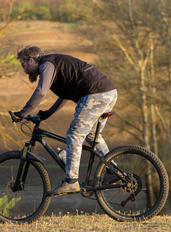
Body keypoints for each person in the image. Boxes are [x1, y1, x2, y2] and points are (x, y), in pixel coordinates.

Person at [13, 46, 118, 195]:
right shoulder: (54, 65)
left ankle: (71, 181)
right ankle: (112, 170)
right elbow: (65, 96)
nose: (23, 69)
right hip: (108, 92)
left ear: (31, 60)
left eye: (23, 64)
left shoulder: (46, 64)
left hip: (96, 93)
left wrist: (22, 113)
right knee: (90, 134)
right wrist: (47, 113)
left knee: (75, 133)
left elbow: (41, 91)